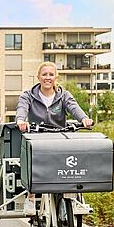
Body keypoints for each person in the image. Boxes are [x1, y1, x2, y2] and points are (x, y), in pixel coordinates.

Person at [15, 61, 93, 215]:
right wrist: (21, 121)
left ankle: (69, 198)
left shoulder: (63, 95)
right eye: (44, 74)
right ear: (38, 77)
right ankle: (30, 199)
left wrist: (84, 119)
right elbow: (22, 109)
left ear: (56, 76)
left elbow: (74, 108)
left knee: (70, 165)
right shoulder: (28, 95)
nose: (47, 77)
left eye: (51, 74)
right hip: (37, 138)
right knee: (32, 164)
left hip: (59, 138)